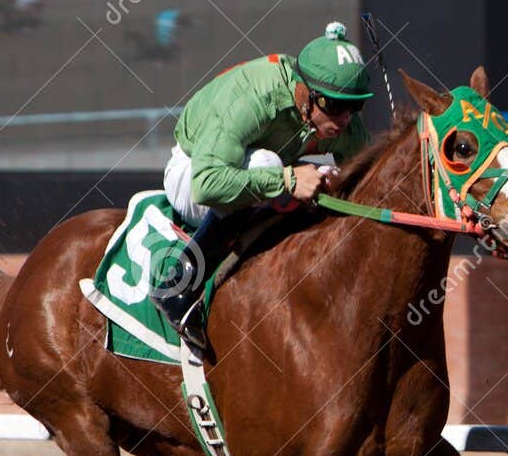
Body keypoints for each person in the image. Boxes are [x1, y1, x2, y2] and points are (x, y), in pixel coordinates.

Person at [155, 21, 374, 351]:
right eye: (335, 106)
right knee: (268, 166)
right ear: (305, 92)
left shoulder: (337, 116)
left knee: (330, 176)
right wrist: (288, 179)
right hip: (192, 171)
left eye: (355, 107)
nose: (344, 120)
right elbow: (206, 184)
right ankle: (178, 284)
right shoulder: (253, 99)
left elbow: (375, 182)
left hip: (241, 168)